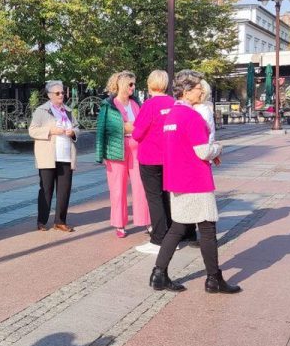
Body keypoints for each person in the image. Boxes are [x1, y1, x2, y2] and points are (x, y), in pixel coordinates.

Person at [150, 69, 241, 294]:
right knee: (208, 229)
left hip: (176, 178)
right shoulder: (192, 116)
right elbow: (203, 151)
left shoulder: (171, 115)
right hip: (196, 180)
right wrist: (218, 148)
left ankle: (158, 274)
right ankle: (214, 279)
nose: (202, 91)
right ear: (188, 91)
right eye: (199, 87)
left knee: (178, 227)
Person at [95, 71, 150, 238]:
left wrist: (134, 127)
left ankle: (146, 221)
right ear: (120, 85)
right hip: (115, 149)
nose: (133, 87)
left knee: (141, 186)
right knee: (117, 189)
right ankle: (119, 224)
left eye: (134, 84)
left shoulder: (136, 104)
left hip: (137, 148)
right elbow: (101, 131)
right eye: (130, 84)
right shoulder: (108, 105)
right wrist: (100, 155)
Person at [132, 70, 175, 254]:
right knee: (167, 196)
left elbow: (137, 133)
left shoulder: (149, 105)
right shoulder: (173, 103)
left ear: (150, 85)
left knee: (154, 197)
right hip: (169, 156)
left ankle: (158, 239)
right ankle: (173, 236)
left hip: (150, 157)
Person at [28, 80, 80, 232]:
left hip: (65, 155)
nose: (61, 95)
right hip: (48, 155)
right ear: (50, 95)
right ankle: (42, 220)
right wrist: (50, 131)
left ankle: (60, 221)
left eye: (63, 92)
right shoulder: (41, 111)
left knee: (64, 190)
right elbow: (32, 130)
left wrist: (73, 132)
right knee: (46, 189)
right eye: (57, 93)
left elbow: (77, 128)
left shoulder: (68, 111)